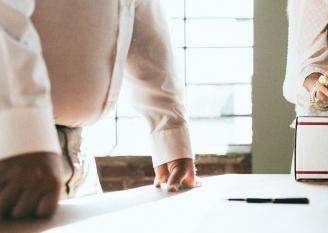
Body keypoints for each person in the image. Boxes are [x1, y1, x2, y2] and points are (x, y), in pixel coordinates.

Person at [0, 0, 197, 220]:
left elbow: (142, 16)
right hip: (17, 158)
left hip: (78, 158)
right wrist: (24, 138)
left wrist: (171, 134)